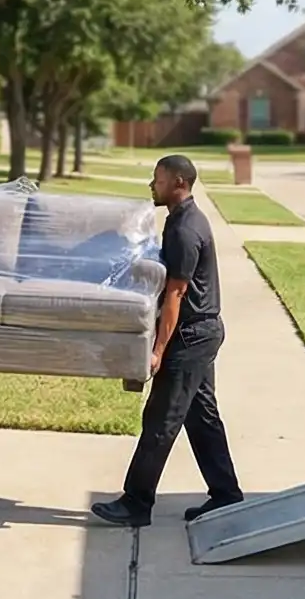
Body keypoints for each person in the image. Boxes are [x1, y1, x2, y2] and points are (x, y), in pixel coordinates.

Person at [93, 153, 244, 527]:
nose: (152, 184)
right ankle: (226, 494)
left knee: (161, 418)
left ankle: (136, 503)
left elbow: (176, 293)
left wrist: (158, 350)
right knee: (202, 415)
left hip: (192, 336)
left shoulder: (184, 229)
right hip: (202, 331)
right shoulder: (182, 219)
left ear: (179, 182)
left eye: (158, 179)